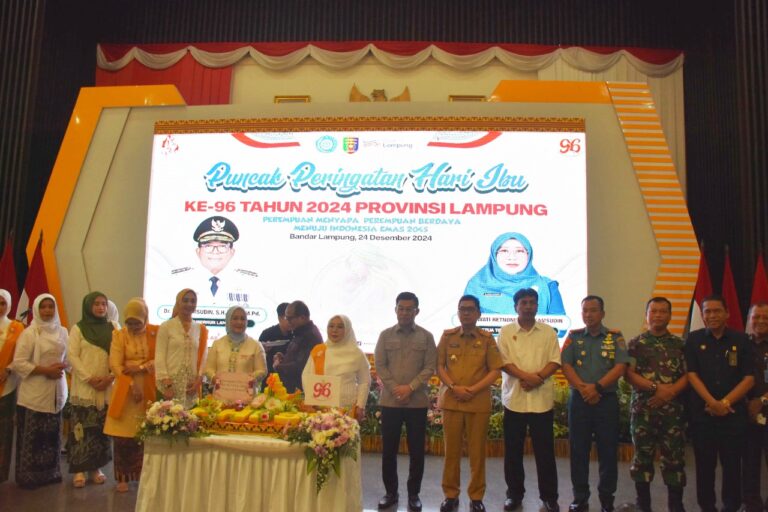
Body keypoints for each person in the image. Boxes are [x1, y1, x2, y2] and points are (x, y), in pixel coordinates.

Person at [685, 295, 754, 512]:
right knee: (704, 466)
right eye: (707, 311)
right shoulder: (693, 339)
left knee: (732, 465)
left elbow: (749, 378)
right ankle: (707, 506)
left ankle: (731, 506)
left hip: (732, 414)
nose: (712, 315)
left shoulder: (741, 340)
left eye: (717, 311)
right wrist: (712, 403)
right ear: (702, 315)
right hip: (703, 415)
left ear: (727, 314)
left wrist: (724, 403)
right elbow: (692, 374)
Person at [561, 295, 629, 512]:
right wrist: (584, 389)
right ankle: (580, 497)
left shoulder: (614, 337)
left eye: (593, 310)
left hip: (605, 400)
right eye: (585, 311)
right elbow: (566, 365)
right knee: (578, 450)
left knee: (608, 450)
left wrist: (597, 388)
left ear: (602, 313)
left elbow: (620, 367)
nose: (588, 315)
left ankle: (607, 498)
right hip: (579, 400)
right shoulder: (573, 336)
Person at [436, 295, 503, 512]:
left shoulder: (487, 339)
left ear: (478, 313)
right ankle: (450, 495)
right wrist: (453, 387)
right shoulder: (448, 337)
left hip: (477, 403)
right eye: (462, 309)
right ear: (458, 312)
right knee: (451, 452)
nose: (466, 313)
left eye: (470, 309)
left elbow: (495, 370)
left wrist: (473, 390)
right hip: (452, 401)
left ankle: (476, 497)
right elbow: (439, 366)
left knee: (477, 453)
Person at [497, 288, 561, 512]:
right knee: (513, 452)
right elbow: (504, 362)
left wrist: (537, 378)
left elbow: (555, 360)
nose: (528, 306)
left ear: (537, 306)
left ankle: (549, 497)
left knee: (545, 452)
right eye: (523, 302)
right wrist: (527, 377)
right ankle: (514, 495)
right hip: (514, 400)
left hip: (541, 401)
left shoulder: (548, 332)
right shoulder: (505, 332)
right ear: (516, 306)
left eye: (532, 302)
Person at [374, 291, 437, 512]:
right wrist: (396, 388)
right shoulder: (385, 335)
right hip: (390, 402)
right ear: (395, 309)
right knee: (388, 451)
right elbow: (380, 365)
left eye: (409, 309)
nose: (404, 312)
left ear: (416, 311)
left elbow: (430, 366)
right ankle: (391, 493)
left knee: (416, 451)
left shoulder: (426, 337)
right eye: (401, 308)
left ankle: (414, 494)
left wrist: (409, 388)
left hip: (416, 402)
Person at [625, 297, 688, 512]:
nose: (658, 315)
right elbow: (629, 375)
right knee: (642, 459)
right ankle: (643, 505)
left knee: (674, 460)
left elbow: (689, 375)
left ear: (670, 315)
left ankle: (676, 506)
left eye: (663, 311)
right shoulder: (636, 343)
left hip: (673, 412)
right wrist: (656, 388)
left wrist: (670, 392)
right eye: (654, 311)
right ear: (647, 315)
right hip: (643, 411)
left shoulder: (680, 345)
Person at [11, 293, 68, 489]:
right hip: (34, 393)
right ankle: (29, 477)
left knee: (52, 436)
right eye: (43, 307)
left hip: (56, 391)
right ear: (36, 309)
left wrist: (63, 366)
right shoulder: (30, 333)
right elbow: (19, 363)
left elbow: (68, 359)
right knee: (33, 437)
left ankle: (51, 473)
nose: (47, 311)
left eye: (50, 307)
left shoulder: (62, 331)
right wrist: (46, 371)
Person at [103, 298, 157, 493]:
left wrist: (140, 367)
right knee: (123, 437)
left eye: (137, 323)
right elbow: (115, 364)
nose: (133, 327)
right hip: (125, 388)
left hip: (149, 386)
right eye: (130, 322)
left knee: (145, 436)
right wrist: (132, 385)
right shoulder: (119, 335)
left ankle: (144, 476)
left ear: (145, 318)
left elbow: (159, 358)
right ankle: (123, 477)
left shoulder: (155, 333)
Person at [66, 291, 117, 488]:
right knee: (81, 429)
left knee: (100, 430)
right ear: (88, 306)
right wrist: (89, 378)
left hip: (106, 387)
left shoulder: (114, 327)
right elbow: (72, 356)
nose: (100, 307)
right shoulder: (78, 328)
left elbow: (119, 354)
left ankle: (96, 468)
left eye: (103, 304)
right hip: (84, 388)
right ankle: (79, 469)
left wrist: (110, 377)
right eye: (96, 304)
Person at [464, 232, 565, 315]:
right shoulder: (476, 285)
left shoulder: (548, 286)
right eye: (504, 251)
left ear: (529, 255)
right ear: (494, 255)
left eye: (519, 251)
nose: (512, 257)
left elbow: (560, 327)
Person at [171, 216, 258, 306]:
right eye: (208, 246)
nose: (215, 252)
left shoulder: (250, 282)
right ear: (198, 251)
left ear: (232, 252)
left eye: (222, 246)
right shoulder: (178, 280)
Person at [302, 314, 370, 420]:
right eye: (331, 326)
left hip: (347, 409)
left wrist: (360, 405)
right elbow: (307, 376)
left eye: (340, 327)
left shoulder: (357, 353)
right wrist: (310, 400)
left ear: (347, 330)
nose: (334, 330)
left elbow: (364, 381)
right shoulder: (319, 351)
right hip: (320, 409)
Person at [155, 289, 208, 408]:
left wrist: (198, 382)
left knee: (191, 418)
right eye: (185, 300)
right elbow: (159, 356)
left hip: (191, 386)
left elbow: (204, 358)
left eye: (193, 301)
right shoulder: (166, 326)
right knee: (169, 417)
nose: (189, 304)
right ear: (178, 302)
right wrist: (167, 385)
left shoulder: (200, 329)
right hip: (170, 385)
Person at [205, 306, 267, 398]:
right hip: (220, 398)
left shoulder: (256, 345)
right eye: (235, 318)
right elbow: (208, 369)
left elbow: (262, 370)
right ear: (228, 320)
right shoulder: (217, 344)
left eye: (243, 319)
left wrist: (250, 378)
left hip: (246, 398)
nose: (239, 322)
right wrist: (214, 378)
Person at [743, 302, 768, 512]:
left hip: (765, 407)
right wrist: (746, 402)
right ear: (749, 319)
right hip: (746, 412)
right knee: (749, 463)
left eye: (765, 317)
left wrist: (762, 401)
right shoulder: (740, 344)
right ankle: (752, 506)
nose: (760, 321)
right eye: (756, 316)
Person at [0, 289, 24, 483]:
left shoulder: (17, 327)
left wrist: (8, 369)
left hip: (6, 384)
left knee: (5, 429)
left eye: (2, 303)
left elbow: (22, 356)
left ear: (9, 305)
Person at [273, 300, 322, 393]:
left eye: (290, 318)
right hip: (293, 388)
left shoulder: (310, 336)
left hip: (300, 391)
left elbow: (301, 366)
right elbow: (296, 358)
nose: (287, 322)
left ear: (302, 317)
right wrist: (283, 358)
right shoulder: (300, 332)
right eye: (286, 318)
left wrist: (278, 366)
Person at [259, 302, 292, 375]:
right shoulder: (267, 333)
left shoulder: (295, 334)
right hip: (270, 376)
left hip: (289, 375)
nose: (291, 321)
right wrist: (264, 351)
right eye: (287, 318)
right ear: (279, 318)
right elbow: (258, 359)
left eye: (292, 318)